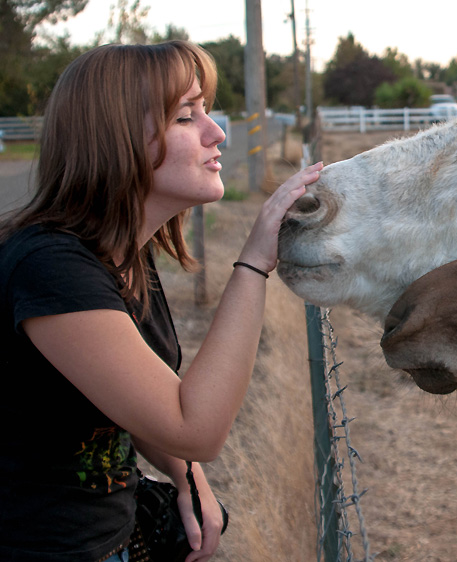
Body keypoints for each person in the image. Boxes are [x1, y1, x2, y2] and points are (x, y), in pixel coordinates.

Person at [0, 41, 321, 561]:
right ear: (117, 138)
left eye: (207, 111)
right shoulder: (50, 269)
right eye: (185, 116)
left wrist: (191, 481)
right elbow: (192, 427)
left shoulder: (121, 252)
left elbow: (139, 402)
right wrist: (254, 264)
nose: (217, 133)